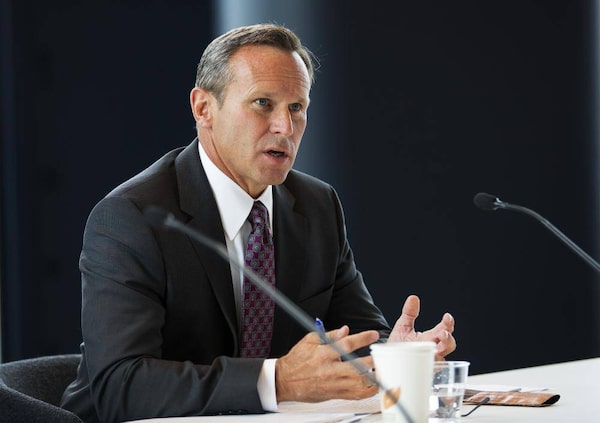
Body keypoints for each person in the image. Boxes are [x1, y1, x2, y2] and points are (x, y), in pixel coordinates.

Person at [61, 23, 456, 423]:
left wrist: (397, 355)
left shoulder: (317, 206)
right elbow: (120, 387)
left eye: (296, 107)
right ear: (203, 108)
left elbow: (355, 337)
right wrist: (277, 380)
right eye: (263, 103)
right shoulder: (132, 217)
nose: (285, 127)